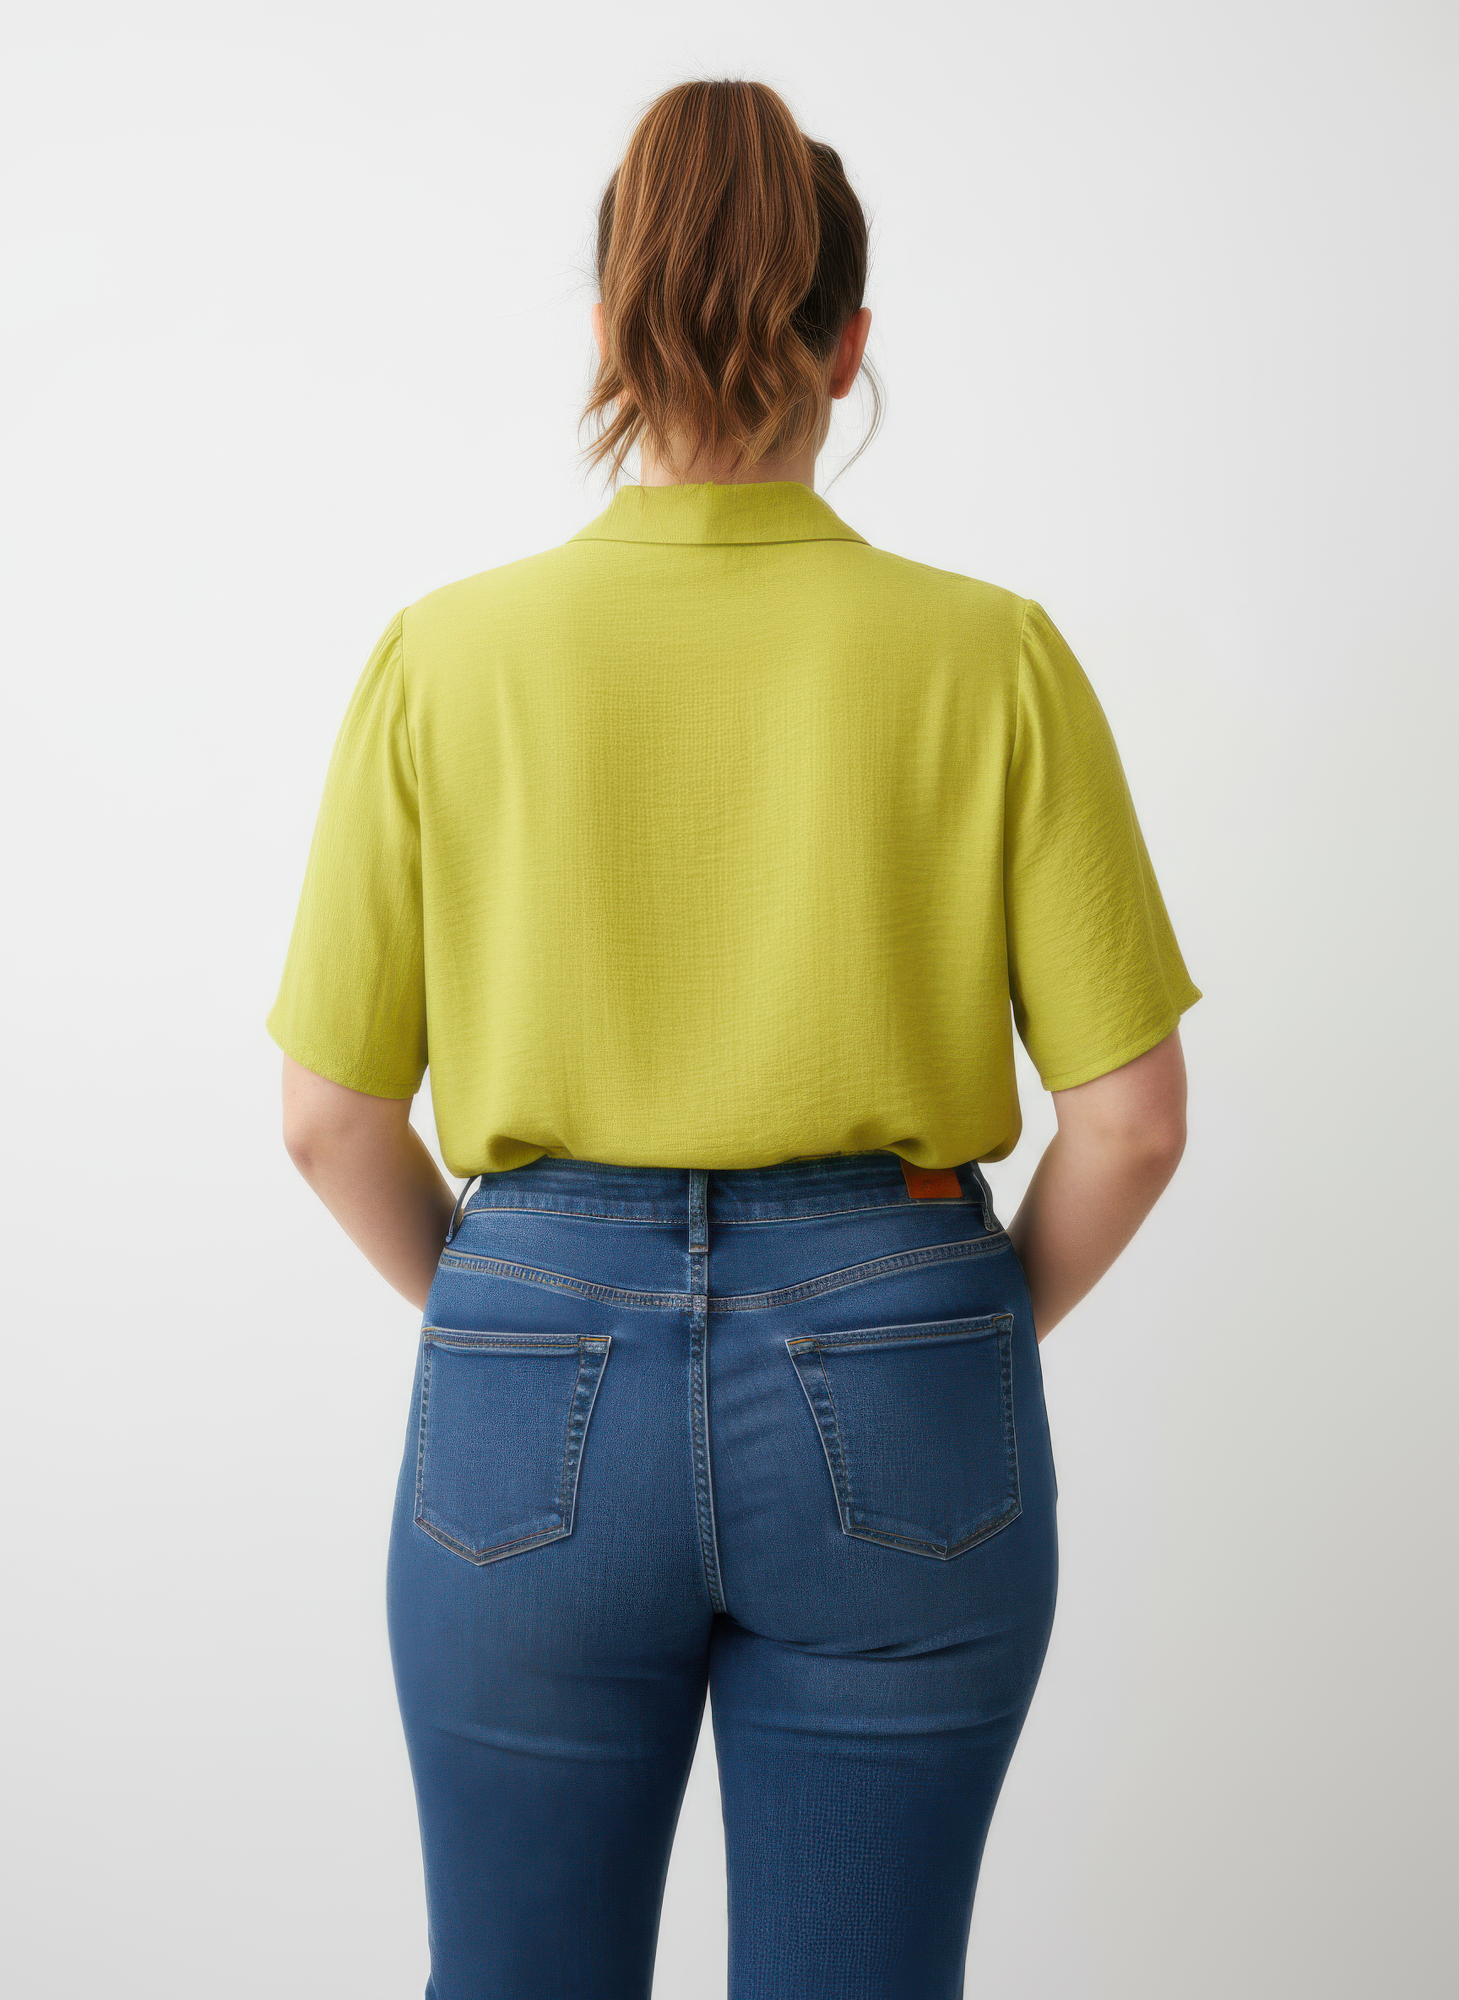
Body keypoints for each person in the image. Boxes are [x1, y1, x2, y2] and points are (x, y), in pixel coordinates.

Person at [267, 76, 1201, 2000]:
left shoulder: (446, 657)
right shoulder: (989, 652)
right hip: (904, 1347)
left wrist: (533, 1311)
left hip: (532, 1361)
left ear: (610, 327)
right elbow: (1129, 1123)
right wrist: (931, 1331)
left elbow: (328, 1116)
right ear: (848, 348)